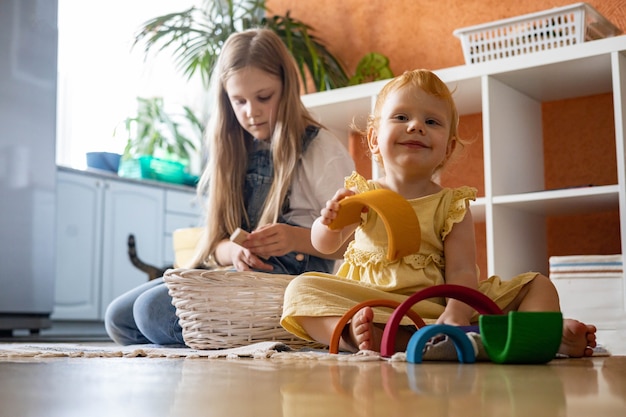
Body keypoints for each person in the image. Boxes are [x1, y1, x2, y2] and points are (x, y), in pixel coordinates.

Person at [280, 69, 597, 358]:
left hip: (437, 306)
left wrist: (458, 311)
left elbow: (462, 273)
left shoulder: (452, 204)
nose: (416, 126)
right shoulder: (362, 193)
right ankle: (357, 335)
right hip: (372, 303)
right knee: (299, 290)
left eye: (431, 122)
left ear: (447, 148)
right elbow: (325, 244)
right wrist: (327, 222)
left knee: (538, 285)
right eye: (402, 117)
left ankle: (533, 337)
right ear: (375, 139)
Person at [105, 28, 355, 345]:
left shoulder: (318, 147)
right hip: (236, 280)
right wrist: (234, 251)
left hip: (284, 288)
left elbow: (355, 244)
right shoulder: (233, 149)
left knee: (151, 313)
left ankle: (218, 344)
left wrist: (295, 238)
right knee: (119, 318)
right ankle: (204, 352)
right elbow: (215, 243)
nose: (251, 112)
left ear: (286, 88)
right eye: (239, 101)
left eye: (264, 97)